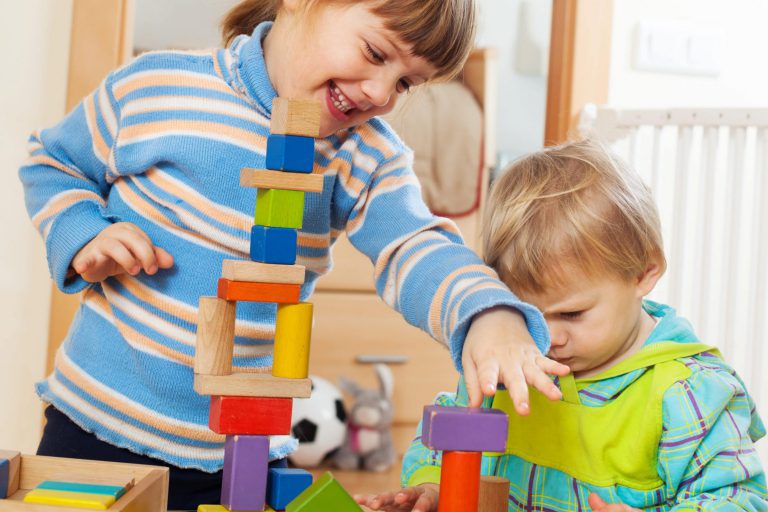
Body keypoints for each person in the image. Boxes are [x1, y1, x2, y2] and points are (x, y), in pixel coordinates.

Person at [18, 0, 569, 508]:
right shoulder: (157, 86)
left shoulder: (363, 154)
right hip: (95, 428)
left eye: (406, 83)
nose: (380, 93)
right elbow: (54, 161)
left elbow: (414, 244)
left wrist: (488, 314)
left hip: (246, 450)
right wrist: (83, 231)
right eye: (376, 53)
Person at [357, 139, 768, 511]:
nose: (548, 337)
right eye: (526, 312)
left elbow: (739, 498)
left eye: (572, 314)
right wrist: (432, 490)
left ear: (644, 273)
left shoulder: (688, 391)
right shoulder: (510, 358)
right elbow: (444, 443)